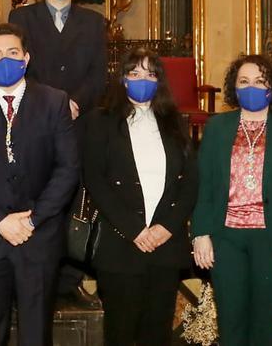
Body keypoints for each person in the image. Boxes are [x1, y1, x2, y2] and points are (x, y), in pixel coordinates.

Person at [0, 23, 80, 346]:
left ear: (26, 58)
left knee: (36, 334)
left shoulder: (55, 101)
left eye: (12, 53)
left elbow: (67, 169)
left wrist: (33, 218)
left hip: (39, 236)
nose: (3, 59)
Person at [192, 54, 272, 346]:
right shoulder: (217, 128)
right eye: (244, 82)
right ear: (234, 88)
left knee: (265, 329)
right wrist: (200, 233)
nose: (252, 88)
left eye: (260, 82)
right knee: (231, 326)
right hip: (226, 239)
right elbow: (204, 187)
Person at [7, 0, 106, 308]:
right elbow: (18, 66)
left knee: (72, 196)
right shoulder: (22, 16)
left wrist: (74, 102)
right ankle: (31, 276)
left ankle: (71, 276)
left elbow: (99, 74)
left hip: (79, 123)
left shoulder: (94, 22)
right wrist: (52, 103)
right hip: (35, 121)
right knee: (34, 194)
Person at [81, 47, 198, 345]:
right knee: (120, 330)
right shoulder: (100, 121)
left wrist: (166, 227)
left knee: (157, 332)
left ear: (159, 81)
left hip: (165, 244)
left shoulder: (175, 122)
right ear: (122, 79)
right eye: (134, 73)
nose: (142, 79)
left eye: (150, 74)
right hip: (120, 243)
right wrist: (134, 229)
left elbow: (191, 182)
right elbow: (95, 179)